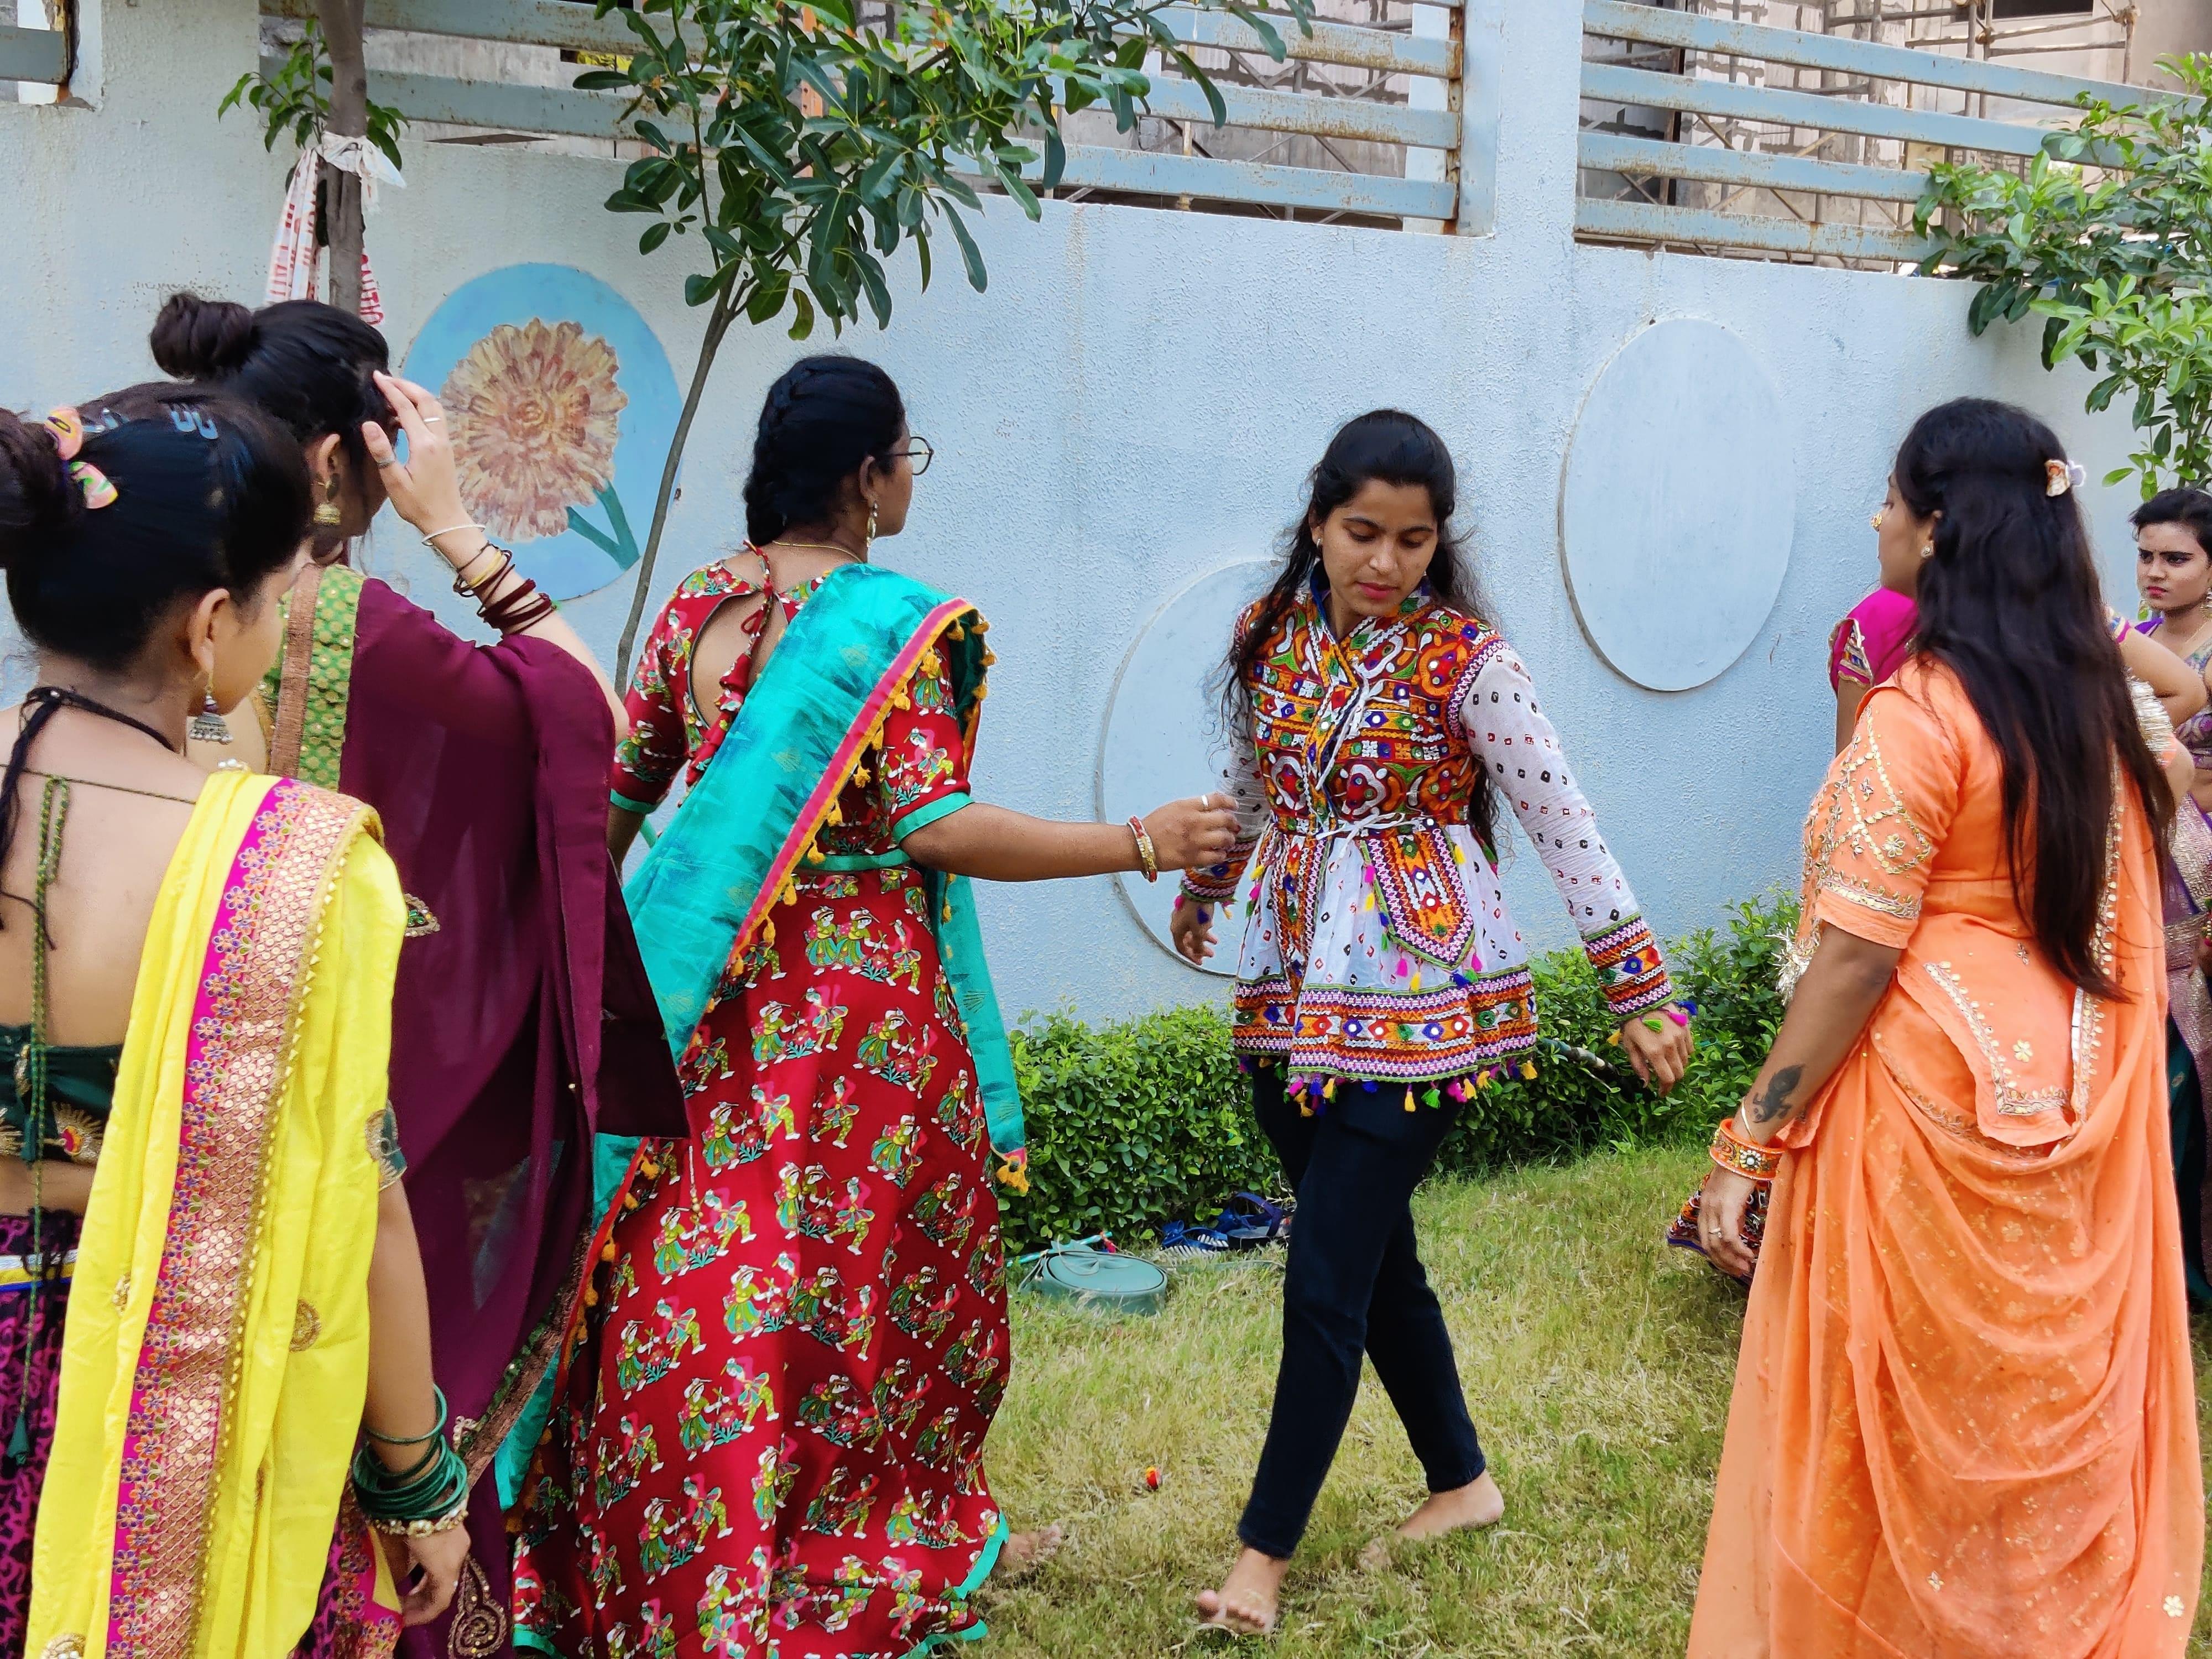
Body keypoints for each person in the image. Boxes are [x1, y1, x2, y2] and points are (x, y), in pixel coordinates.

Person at [511, 354, 1240, 1657]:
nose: (911, 477)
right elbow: (934, 826)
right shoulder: (896, 624)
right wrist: (1138, 840)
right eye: (909, 455)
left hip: (701, 996)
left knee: (692, 1264)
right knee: (845, 1282)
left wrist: (584, 959)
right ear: (865, 475)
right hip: (855, 1016)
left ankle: (663, 1554)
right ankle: (827, 1542)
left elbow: (619, 798)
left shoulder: (695, 605)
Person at [152, 293, 688, 1656]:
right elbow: (588, 724)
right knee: (378, 1397)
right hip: (343, 1102)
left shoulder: (158, 605)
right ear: (344, 459)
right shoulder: (342, 618)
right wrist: (457, 527)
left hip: (172, 1085)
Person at [1167, 409, 1694, 1636]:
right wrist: (1209, 883)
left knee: (1323, 1276)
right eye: (1363, 532)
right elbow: (1254, 783)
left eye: (1413, 541)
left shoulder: (1471, 663)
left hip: (1421, 1001)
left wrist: (1638, 988)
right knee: (1371, 1258)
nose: (1386, 561)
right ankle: (1461, 1484)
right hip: (1287, 989)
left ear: (1436, 542)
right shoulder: (1266, 636)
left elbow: (1564, 824)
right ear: (1317, 521)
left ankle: (1260, 1562)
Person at [1689, 400, 2201, 1656]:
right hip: (2077, 1084)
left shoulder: (1918, 713)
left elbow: (1856, 953)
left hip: (1918, 1099)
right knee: (2029, 1406)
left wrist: (1747, 1139)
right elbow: (2162, 806)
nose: (1875, 519)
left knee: (1894, 1418)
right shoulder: (2085, 700)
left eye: (1890, 499)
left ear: (1937, 527)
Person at [0, 387, 474, 1654]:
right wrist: (414, 1480)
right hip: (170, 1394)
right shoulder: (282, 866)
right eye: (275, 595)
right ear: (212, 627)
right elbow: (359, 1195)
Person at [2132, 486, 2212, 1303]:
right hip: (2145, 862)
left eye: (2177, 558)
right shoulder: (2139, 644)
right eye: (2147, 556)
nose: (2156, 572)